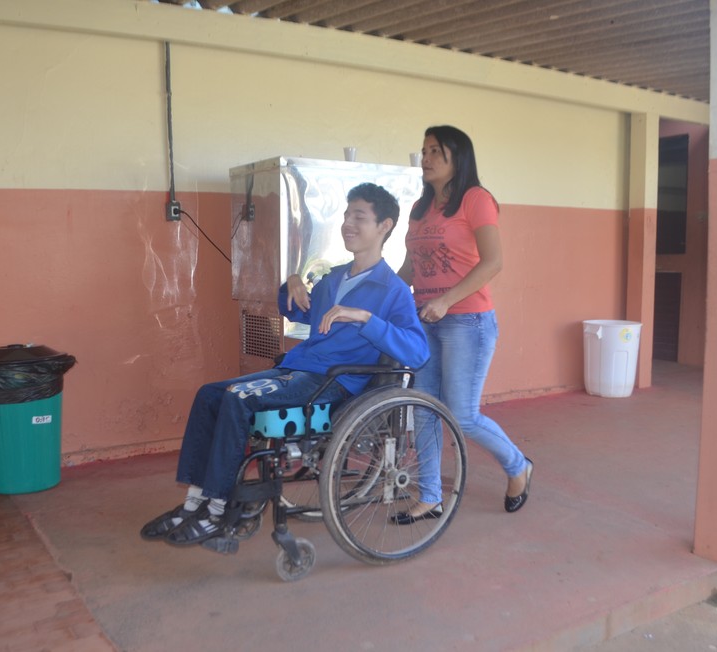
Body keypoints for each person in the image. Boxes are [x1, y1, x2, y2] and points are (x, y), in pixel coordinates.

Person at [141, 182, 429, 547]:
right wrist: (291, 284)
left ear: (385, 226)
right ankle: (193, 503)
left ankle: (216, 511)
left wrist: (364, 318)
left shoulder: (393, 291)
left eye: (359, 217)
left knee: (237, 397)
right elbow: (294, 309)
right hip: (298, 369)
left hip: (334, 383)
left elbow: (417, 352)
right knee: (210, 394)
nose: (347, 223)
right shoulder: (334, 278)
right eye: (345, 215)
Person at [395, 125, 533, 523]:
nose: (426, 158)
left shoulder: (476, 200)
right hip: (425, 321)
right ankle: (431, 496)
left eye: (436, 151)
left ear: (458, 158)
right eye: (423, 151)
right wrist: (376, 288)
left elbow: (493, 262)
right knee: (423, 410)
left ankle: (518, 466)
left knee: (462, 414)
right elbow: (410, 268)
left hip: (466, 320)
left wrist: (445, 300)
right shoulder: (420, 210)